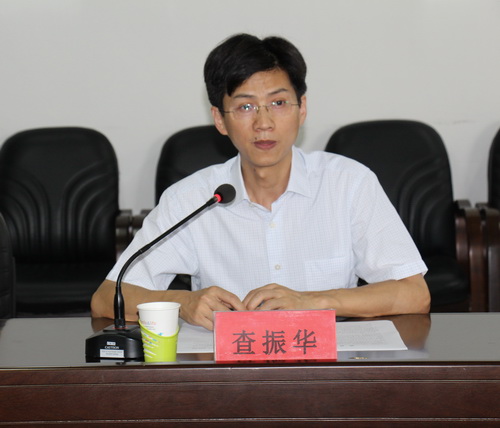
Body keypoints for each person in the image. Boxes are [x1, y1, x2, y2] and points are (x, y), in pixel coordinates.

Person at [91, 33, 430, 330]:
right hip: (232, 374)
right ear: (219, 119)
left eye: (278, 103)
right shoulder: (192, 199)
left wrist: (312, 301)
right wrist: (184, 303)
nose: (263, 123)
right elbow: (106, 298)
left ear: (302, 109)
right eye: (245, 107)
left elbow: (414, 293)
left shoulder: (349, 184)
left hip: (327, 370)